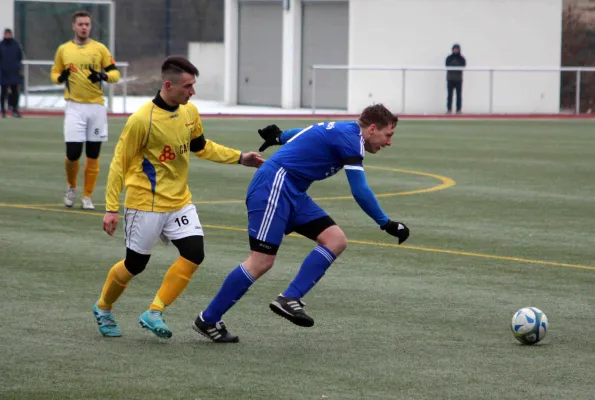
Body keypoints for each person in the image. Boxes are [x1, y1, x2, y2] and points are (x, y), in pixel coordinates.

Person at [192, 104, 410, 343]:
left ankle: (289, 298)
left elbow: (304, 132)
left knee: (335, 240)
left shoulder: (345, 130)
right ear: (371, 129)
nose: (388, 142)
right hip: (273, 187)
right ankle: (208, 319)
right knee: (261, 261)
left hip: (293, 191)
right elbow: (359, 189)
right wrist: (385, 223)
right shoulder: (351, 139)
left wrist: (279, 136)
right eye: (388, 135)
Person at [93, 56, 264, 339]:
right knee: (135, 264)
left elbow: (201, 146)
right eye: (187, 86)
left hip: (180, 202)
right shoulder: (141, 120)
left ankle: (154, 310)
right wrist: (111, 209)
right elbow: (118, 164)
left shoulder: (190, 112)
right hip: (145, 203)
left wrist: (240, 158)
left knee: (194, 253)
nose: (192, 92)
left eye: (193, 85)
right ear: (168, 85)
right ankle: (103, 307)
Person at [51, 10, 120, 210]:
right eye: (80, 24)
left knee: (93, 152)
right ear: (73, 26)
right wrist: (60, 78)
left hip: (96, 107)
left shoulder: (100, 49)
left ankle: (87, 196)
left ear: (90, 26)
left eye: (87, 24)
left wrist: (103, 77)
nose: (84, 27)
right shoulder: (64, 50)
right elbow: (55, 73)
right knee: (73, 153)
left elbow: (115, 73)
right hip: (74, 107)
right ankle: (71, 187)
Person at [0, 28, 23, 118]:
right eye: (6, 34)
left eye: (9, 34)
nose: (7, 36)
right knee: (3, 92)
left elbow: (19, 57)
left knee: (15, 92)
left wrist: (18, 68)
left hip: (14, 73)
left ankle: (15, 110)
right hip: (4, 73)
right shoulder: (1, 45)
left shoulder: (16, 45)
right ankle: (3, 111)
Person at [445, 44, 466, 114]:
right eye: (454, 49)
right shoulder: (449, 58)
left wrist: (455, 64)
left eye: (457, 49)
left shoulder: (461, 58)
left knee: (459, 95)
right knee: (449, 95)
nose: (455, 50)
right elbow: (447, 65)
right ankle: (449, 109)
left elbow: (463, 66)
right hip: (450, 79)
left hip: (458, 79)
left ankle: (458, 110)